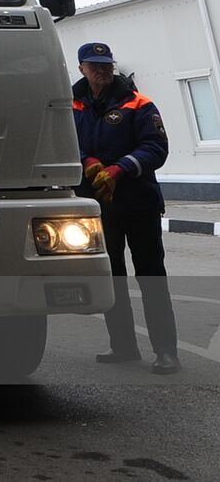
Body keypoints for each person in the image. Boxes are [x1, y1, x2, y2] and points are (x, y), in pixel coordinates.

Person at [72, 42, 180, 375]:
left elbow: (156, 147)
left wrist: (120, 169)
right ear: (81, 69)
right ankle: (123, 346)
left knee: (151, 276)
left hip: (139, 203)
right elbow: (63, 141)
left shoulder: (139, 103)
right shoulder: (69, 105)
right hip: (98, 206)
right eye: (94, 65)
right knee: (112, 278)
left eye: (106, 64)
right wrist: (87, 161)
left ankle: (166, 351)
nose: (102, 70)